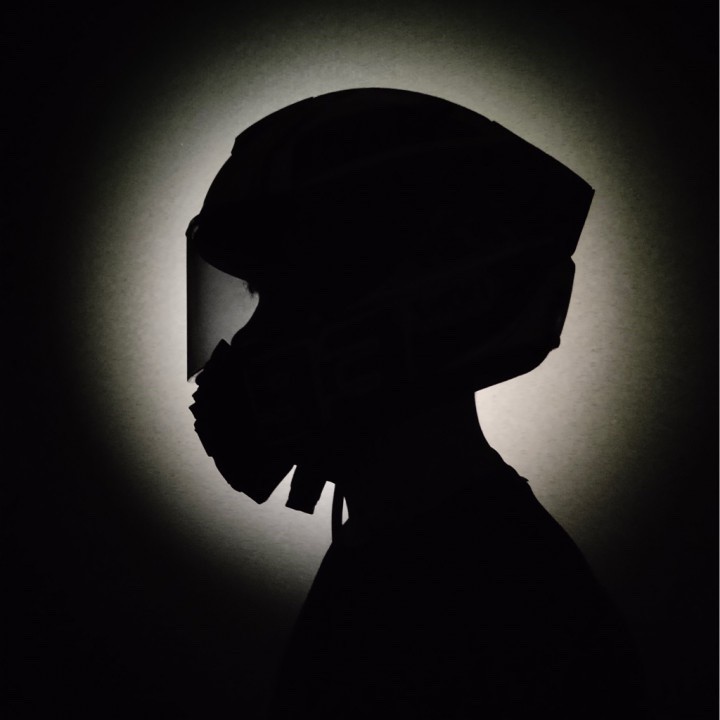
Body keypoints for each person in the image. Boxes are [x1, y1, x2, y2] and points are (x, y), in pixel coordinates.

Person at [187, 88, 647, 718]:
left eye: (283, 296)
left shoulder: (500, 610)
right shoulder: (412, 555)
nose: (248, 342)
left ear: (416, 300)